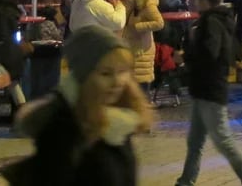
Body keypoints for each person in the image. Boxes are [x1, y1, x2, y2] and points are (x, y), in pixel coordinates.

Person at [10, 27, 152, 186]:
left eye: (122, 71)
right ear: (84, 76)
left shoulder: (120, 119)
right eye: (105, 73)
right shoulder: (63, 127)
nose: (118, 82)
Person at [174, 0, 242, 186]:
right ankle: (185, 181)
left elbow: (210, 52)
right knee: (195, 141)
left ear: (205, 1)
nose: (195, 2)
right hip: (202, 88)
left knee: (222, 139)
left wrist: (185, 56)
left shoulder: (211, 21)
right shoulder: (217, 19)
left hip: (210, 88)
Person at [123, 0, 164, 102]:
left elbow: (159, 23)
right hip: (133, 48)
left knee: (141, 87)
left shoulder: (147, 4)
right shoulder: (133, 1)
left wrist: (138, 26)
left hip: (142, 51)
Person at [0, 0, 26, 110]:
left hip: (5, 56)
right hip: (15, 53)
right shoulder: (12, 9)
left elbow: (1, 36)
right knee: (13, 85)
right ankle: (23, 111)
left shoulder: (0, 11)